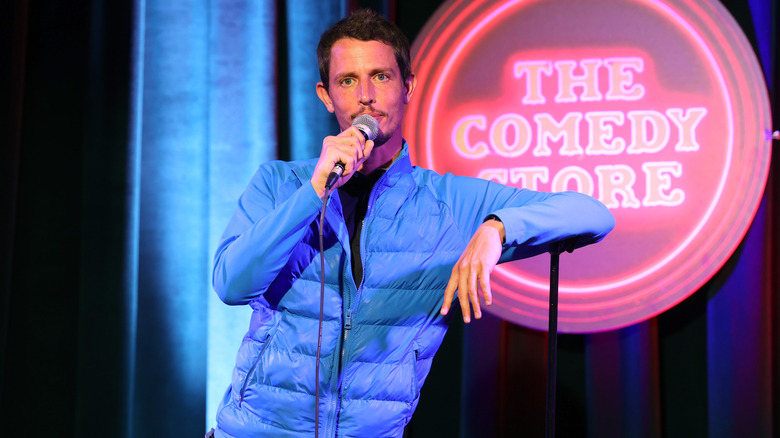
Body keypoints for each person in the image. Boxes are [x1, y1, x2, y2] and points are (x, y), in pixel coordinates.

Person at [210, 9, 614, 438]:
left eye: (381, 77)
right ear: (326, 96)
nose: (365, 95)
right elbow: (232, 285)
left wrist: (497, 228)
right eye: (348, 81)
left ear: (408, 87)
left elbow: (593, 214)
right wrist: (313, 193)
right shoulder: (278, 185)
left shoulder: (448, 203)